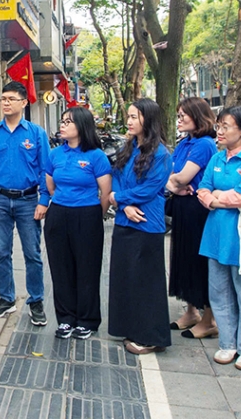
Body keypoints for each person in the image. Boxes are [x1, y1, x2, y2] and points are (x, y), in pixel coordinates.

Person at [197, 106, 241, 371]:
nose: (221, 131)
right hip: (216, 235)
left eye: (226, 126)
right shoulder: (217, 158)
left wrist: (216, 197)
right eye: (220, 125)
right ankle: (228, 344)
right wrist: (215, 197)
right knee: (219, 293)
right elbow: (202, 189)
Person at [0, 81, 51, 325]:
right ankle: (6, 298)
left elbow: (45, 170)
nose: (5, 103)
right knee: (1, 252)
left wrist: (44, 200)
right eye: (3, 99)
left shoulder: (36, 134)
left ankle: (36, 300)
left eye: (11, 99)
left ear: (23, 102)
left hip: (29, 201)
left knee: (33, 253)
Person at [108, 99, 173, 354]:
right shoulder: (129, 147)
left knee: (147, 281)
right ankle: (129, 327)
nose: (130, 121)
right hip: (126, 219)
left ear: (149, 119)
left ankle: (151, 336)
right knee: (126, 278)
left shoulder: (161, 154)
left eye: (135, 116)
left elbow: (150, 188)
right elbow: (116, 177)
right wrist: (122, 204)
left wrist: (119, 199)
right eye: (130, 116)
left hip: (147, 222)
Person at [44, 106, 113, 340]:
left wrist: (96, 215)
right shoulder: (55, 154)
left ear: (81, 127)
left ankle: (87, 320)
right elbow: (50, 186)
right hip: (59, 215)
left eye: (68, 122)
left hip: (87, 215)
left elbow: (105, 193)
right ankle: (65, 319)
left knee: (87, 268)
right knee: (60, 269)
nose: (62, 125)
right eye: (62, 121)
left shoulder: (96, 156)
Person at [166, 98, 218, 339]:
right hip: (181, 207)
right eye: (179, 113)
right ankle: (191, 311)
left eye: (184, 114)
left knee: (199, 262)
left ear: (198, 116)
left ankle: (209, 319)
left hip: (198, 210)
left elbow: (184, 177)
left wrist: (175, 182)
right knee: (183, 258)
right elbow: (169, 176)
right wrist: (174, 185)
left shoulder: (205, 144)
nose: (180, 118)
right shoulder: (185, 143)